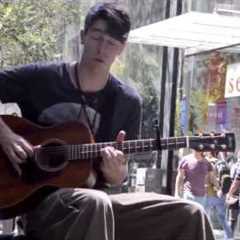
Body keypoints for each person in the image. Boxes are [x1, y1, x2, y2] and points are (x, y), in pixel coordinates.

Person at [0, 2, 215, 240]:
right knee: (95, 202)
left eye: (111, 43)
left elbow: (116, 178)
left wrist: (117, 174)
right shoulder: (43, 78)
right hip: (42, 207)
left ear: (121, 48)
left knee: (190, 212)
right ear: (83, 36)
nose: (102, 48)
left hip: (100, 203)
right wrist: (5, 134)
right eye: (96, 37)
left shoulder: (127, 102)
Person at [205, 152, 233, 240]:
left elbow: (209, 178)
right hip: (221, 195)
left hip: (210, 194)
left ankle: (206, 236)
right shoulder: (223, 163)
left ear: (210, 153)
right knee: (223, 219)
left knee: (206, 217)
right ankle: (229, 238)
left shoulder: (207, 162)